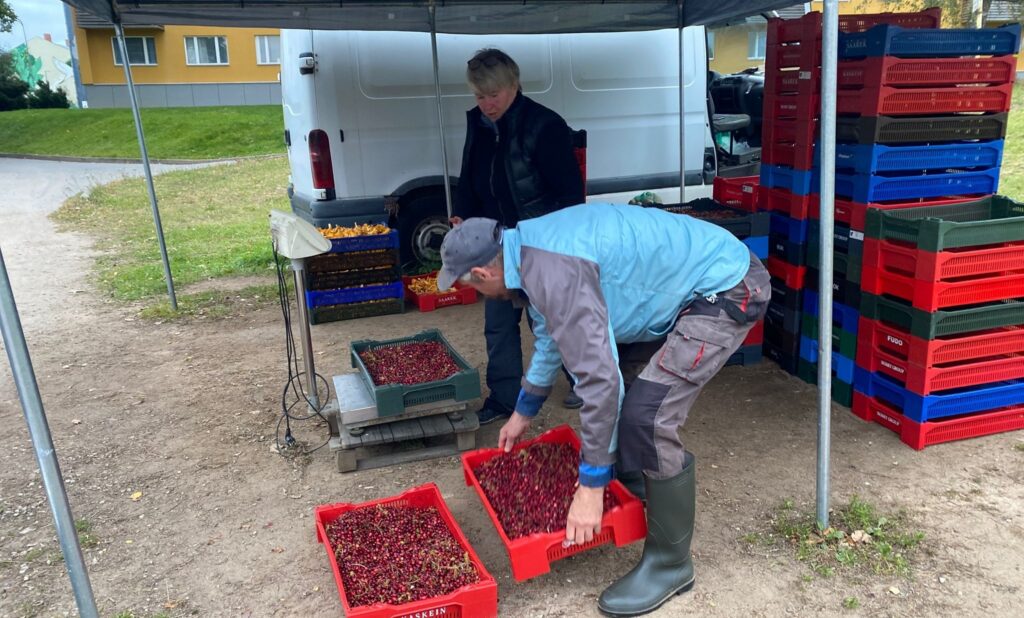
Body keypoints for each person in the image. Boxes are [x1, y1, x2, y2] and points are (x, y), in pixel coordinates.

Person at [436, 205, 770, 617]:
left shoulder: (554, 271)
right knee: (633, 392)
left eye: (471, 288)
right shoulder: (528, 253)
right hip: (683, 287)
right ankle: (642, 494)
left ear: (484, 275)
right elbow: (551, 338)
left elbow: (599, 381)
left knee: (648, 414)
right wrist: (523, 410)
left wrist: (590, 488)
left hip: (726, 287)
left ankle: (671, 565)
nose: (478, 296)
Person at [450, 48, 585, 425]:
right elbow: (470, 173)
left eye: (493, 95)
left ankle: (584, 381)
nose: (487, 104)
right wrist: (463, 213)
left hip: (542, 241)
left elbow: (571, 195)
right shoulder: (478, 123)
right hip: (495, 241)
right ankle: (505, 395)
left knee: (557, 317)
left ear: (514, 85)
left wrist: (559, 243)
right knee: (498, 321)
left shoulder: (544, 126)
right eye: (479, 96)